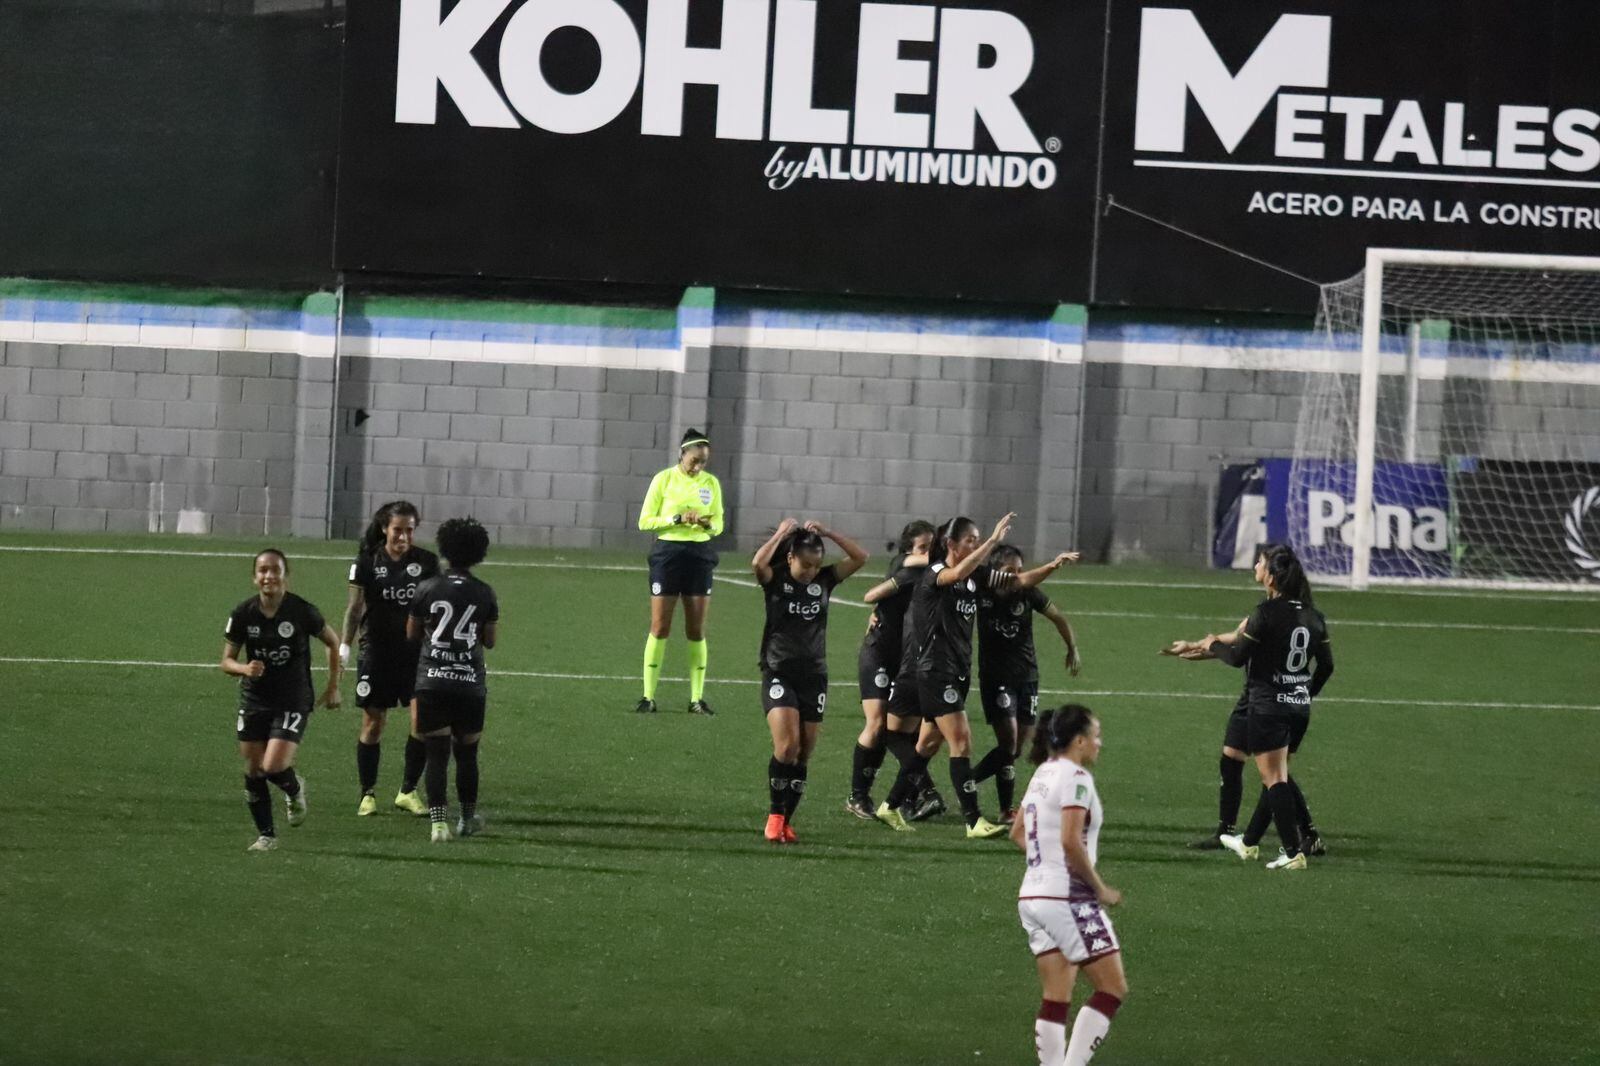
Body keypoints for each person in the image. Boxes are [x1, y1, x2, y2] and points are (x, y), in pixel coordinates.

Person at [877, 514, 1079, 838]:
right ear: (951, 544)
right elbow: (956, 573)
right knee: (961, 741)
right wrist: (994, 541)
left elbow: (1019, 582)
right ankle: (973, 821)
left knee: (927, 744)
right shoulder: (935, 573)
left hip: (958, 672)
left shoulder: (976, 576)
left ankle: (890, 805)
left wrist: (1053, 566)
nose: (975, 544)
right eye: (970, 540)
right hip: (935, 671)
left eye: (977, 539)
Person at [1163, 544, 1334, 870]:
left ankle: (1295, 847)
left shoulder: (1266, 613)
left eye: (1260, 563)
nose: (1256, 566)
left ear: (1271, 576)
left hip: (1266, 701)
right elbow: (1325, 666)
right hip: (1290, 703)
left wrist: (1212, 644)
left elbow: (1237, 655)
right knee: (1245, 760)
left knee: (1275, 777)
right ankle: (1243, 839)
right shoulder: (1312, 615)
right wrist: (1304, 693)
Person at [1011, 705, 1128, 1066]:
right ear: (1078, 741)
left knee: (1056, 994)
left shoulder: (1043, 772)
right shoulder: (1076, 778)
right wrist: (1098, 888)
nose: (1099, 743)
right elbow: (1070, 840)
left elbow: (1017, 832)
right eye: (1095, 735)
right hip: (1067, 898)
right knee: (1112, 987)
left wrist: (1046, 866)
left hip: (1032, 896)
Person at [753, 519, 869, 843]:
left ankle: (787, 821)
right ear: (791, 558)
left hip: (814, 676)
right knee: (786, 746)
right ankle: (775, 816)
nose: (811, 571)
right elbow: (758, 564)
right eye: (805, 565)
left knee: (803, 753)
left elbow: (860, 558)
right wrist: (781, 533)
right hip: (779, 671)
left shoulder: (825, 581)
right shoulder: (775, 580)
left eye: (816, 565)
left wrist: (829, 532)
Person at [222, 548, 342, 851]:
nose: (269, 576)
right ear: (254, 577)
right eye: (263, 570)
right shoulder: (243, 613)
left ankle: (294, 788)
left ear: (285, 576)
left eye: (275, 570)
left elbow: (333, 642)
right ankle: (267, 836)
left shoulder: (302, 611)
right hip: (255, 699)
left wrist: (333, 687)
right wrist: (244, 669)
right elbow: (226, 661)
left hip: (293, 698)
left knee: (273, 766)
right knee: (253, 770)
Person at [341, 500, 439, 816]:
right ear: (385, 528)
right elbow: (354, 609)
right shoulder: (366, 562)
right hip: (377, 653)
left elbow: (435, 610)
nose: (403, 537)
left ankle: (407, 791)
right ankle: (367, 793)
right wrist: (344, 647)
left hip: (416, 654)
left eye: (409, 530)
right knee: (373, 723)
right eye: (398, 530)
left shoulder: (427, 562)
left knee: (421, 723)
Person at [406, 517, 499, 844]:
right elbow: (489, 641)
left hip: (431, 681)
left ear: (444, 549)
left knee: (436, 754)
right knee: (467, 754)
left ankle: (438, 825)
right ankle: (467, 819)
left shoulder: (426, 588)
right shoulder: (484, 592)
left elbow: (412, 633)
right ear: (478, 552)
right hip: (469, 683)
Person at [976, 544, 1082, 822]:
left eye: (1020, 570)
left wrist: (1072, 648)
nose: (1018, 575)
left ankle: (996, 803)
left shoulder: (1028, 593)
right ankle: (974, 786)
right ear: (995, 570)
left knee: (1015, 748)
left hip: (1027, 677)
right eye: (1010, 570)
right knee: (1008, 741)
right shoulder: (981, 591)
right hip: (996, 677)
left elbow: (1058, 618)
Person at [846, 519, 934, 819]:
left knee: (910, 731)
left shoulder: (935, 576)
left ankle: (910, 796)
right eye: (923, 547)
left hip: (908, 659)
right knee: (877, 724)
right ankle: (858, 796)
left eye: (933, 547)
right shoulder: (904, 565)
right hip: (880, 652)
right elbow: (871, 596)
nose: (929, 552)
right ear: (909, 549)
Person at [635, 428, 725, 716]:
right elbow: (645, 521)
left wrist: (706, 524)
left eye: (703, 461)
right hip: (668, 555)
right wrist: (676, 518)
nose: (698, 466)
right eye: (694, 460)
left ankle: (696, 699)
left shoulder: (711, 484)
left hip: (699, 555)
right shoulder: (663, 479)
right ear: (682, 454)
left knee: (696, 629)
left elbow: (719, 525)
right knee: (660, 626)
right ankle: (648, 697)